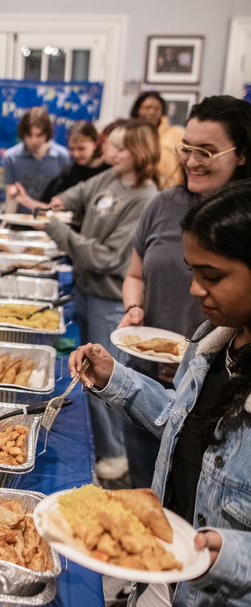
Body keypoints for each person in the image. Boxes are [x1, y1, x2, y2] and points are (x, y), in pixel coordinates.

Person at [68, 179, 251, 607]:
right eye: (193, 270)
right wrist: (116, 380)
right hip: (170, 582)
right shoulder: (212, 343)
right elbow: (182, 419)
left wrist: (227, 555)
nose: (194, 290)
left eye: (213, 275)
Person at [118, 95, 251, 487]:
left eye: (206, 151)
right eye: (187, 148)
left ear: (241, 154)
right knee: (152, 485)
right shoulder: (163, 204)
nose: (192, 160)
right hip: (148, 370)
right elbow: (135, 274)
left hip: (219, 379)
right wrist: (133, 308)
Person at [44, 120, 160, 480]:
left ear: (138, 154)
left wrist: (59, 231)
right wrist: (63, 201)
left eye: (119, 148)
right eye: (111, 146)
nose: (110, 153)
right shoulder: (110, 177)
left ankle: (115, 455)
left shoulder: (145, 198)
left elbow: (108, 257)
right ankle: (105, 448)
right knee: (88, 373)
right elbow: (79, 192)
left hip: (109, 301)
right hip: (86, 290)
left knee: (108, 380)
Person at [2, 107, 70, 212]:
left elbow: (65, 201)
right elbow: (10, 198)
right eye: (29, 135)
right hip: (19, 222)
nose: (34, 141)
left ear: (47, 133)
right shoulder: (11, 157)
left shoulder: (62, 156)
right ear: (22, 134)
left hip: (51, 222)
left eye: (39, 135)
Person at [131, 90, 184, 189]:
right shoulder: (129, 135)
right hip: (136, 191)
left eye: (156, 109)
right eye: (147, 108)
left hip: (170, 193)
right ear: (137, 110)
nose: (151, 112)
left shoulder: (177, 134)